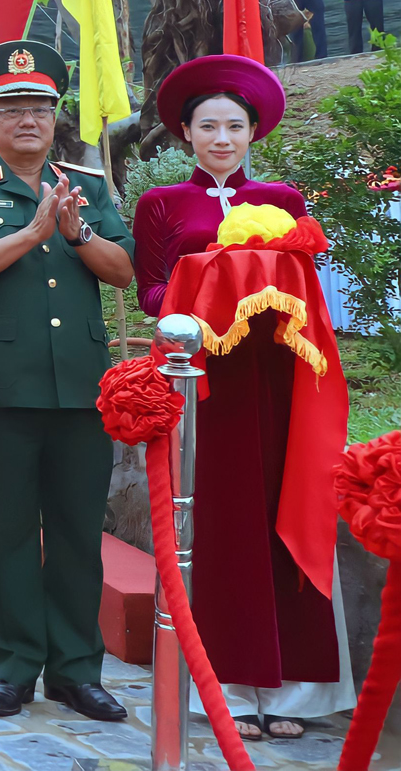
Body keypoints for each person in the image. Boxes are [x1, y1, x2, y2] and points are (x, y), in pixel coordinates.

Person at [133, 54, 352, 739]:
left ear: (252, 131)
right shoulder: (161, 204)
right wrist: (209, 288)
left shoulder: (284, 201)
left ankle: (291, 690)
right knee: (219, 524)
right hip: (207, 383)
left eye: (234, 126)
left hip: (282, 377)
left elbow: (307, 291)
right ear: (186, 134)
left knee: (285, 510)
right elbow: (150, 291)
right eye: (208, 127)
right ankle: (222, 682)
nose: (221, 138)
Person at [0, 40, 135, 721]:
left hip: (79, 387)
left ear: (55, 117)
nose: (27, 119)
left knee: (77, 532)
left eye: (39, 108)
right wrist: (28, 233)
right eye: (11, 108)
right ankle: (12, 666)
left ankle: (76, 669)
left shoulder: (90, 185)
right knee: (0, 532)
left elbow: (122, 270)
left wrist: (73, 232)